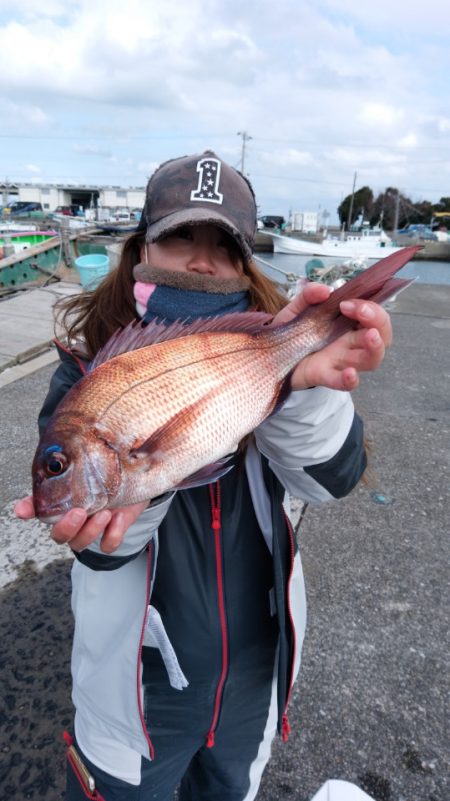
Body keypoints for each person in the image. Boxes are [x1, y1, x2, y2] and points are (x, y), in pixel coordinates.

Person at [16, 151, 392, 801]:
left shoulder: (270, 357)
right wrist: (141, 488)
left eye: (223, 246)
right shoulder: (84, 376)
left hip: (253, 672)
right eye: (179, 236)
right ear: (141, 247)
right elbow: (105, 547)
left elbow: (328, 481)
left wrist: (301, 386)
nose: (200, 259)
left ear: (245, 265)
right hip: (134, 692)